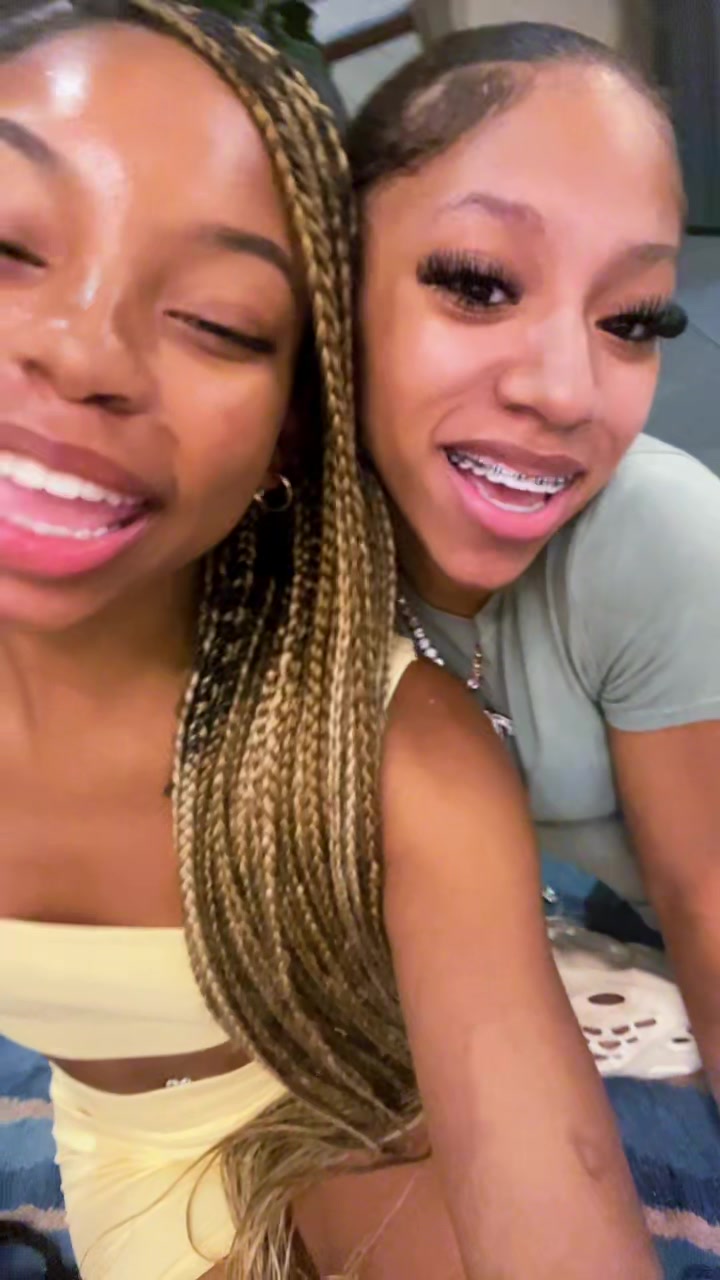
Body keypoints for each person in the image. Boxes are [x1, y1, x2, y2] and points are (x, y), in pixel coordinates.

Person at [0, 3, 660, 1278]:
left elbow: (556, 1198)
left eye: (218, 320)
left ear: (286, 436)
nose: (83, 353)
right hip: (122, 1157)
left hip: (361, 1118)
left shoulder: (402, 755)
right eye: (8, 244)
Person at [348, 21, 720, 1092]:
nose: (566, 392)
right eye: (478, 283)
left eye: (633, 319)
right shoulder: (256, 544)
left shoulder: (657, 533)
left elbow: (704, 898)